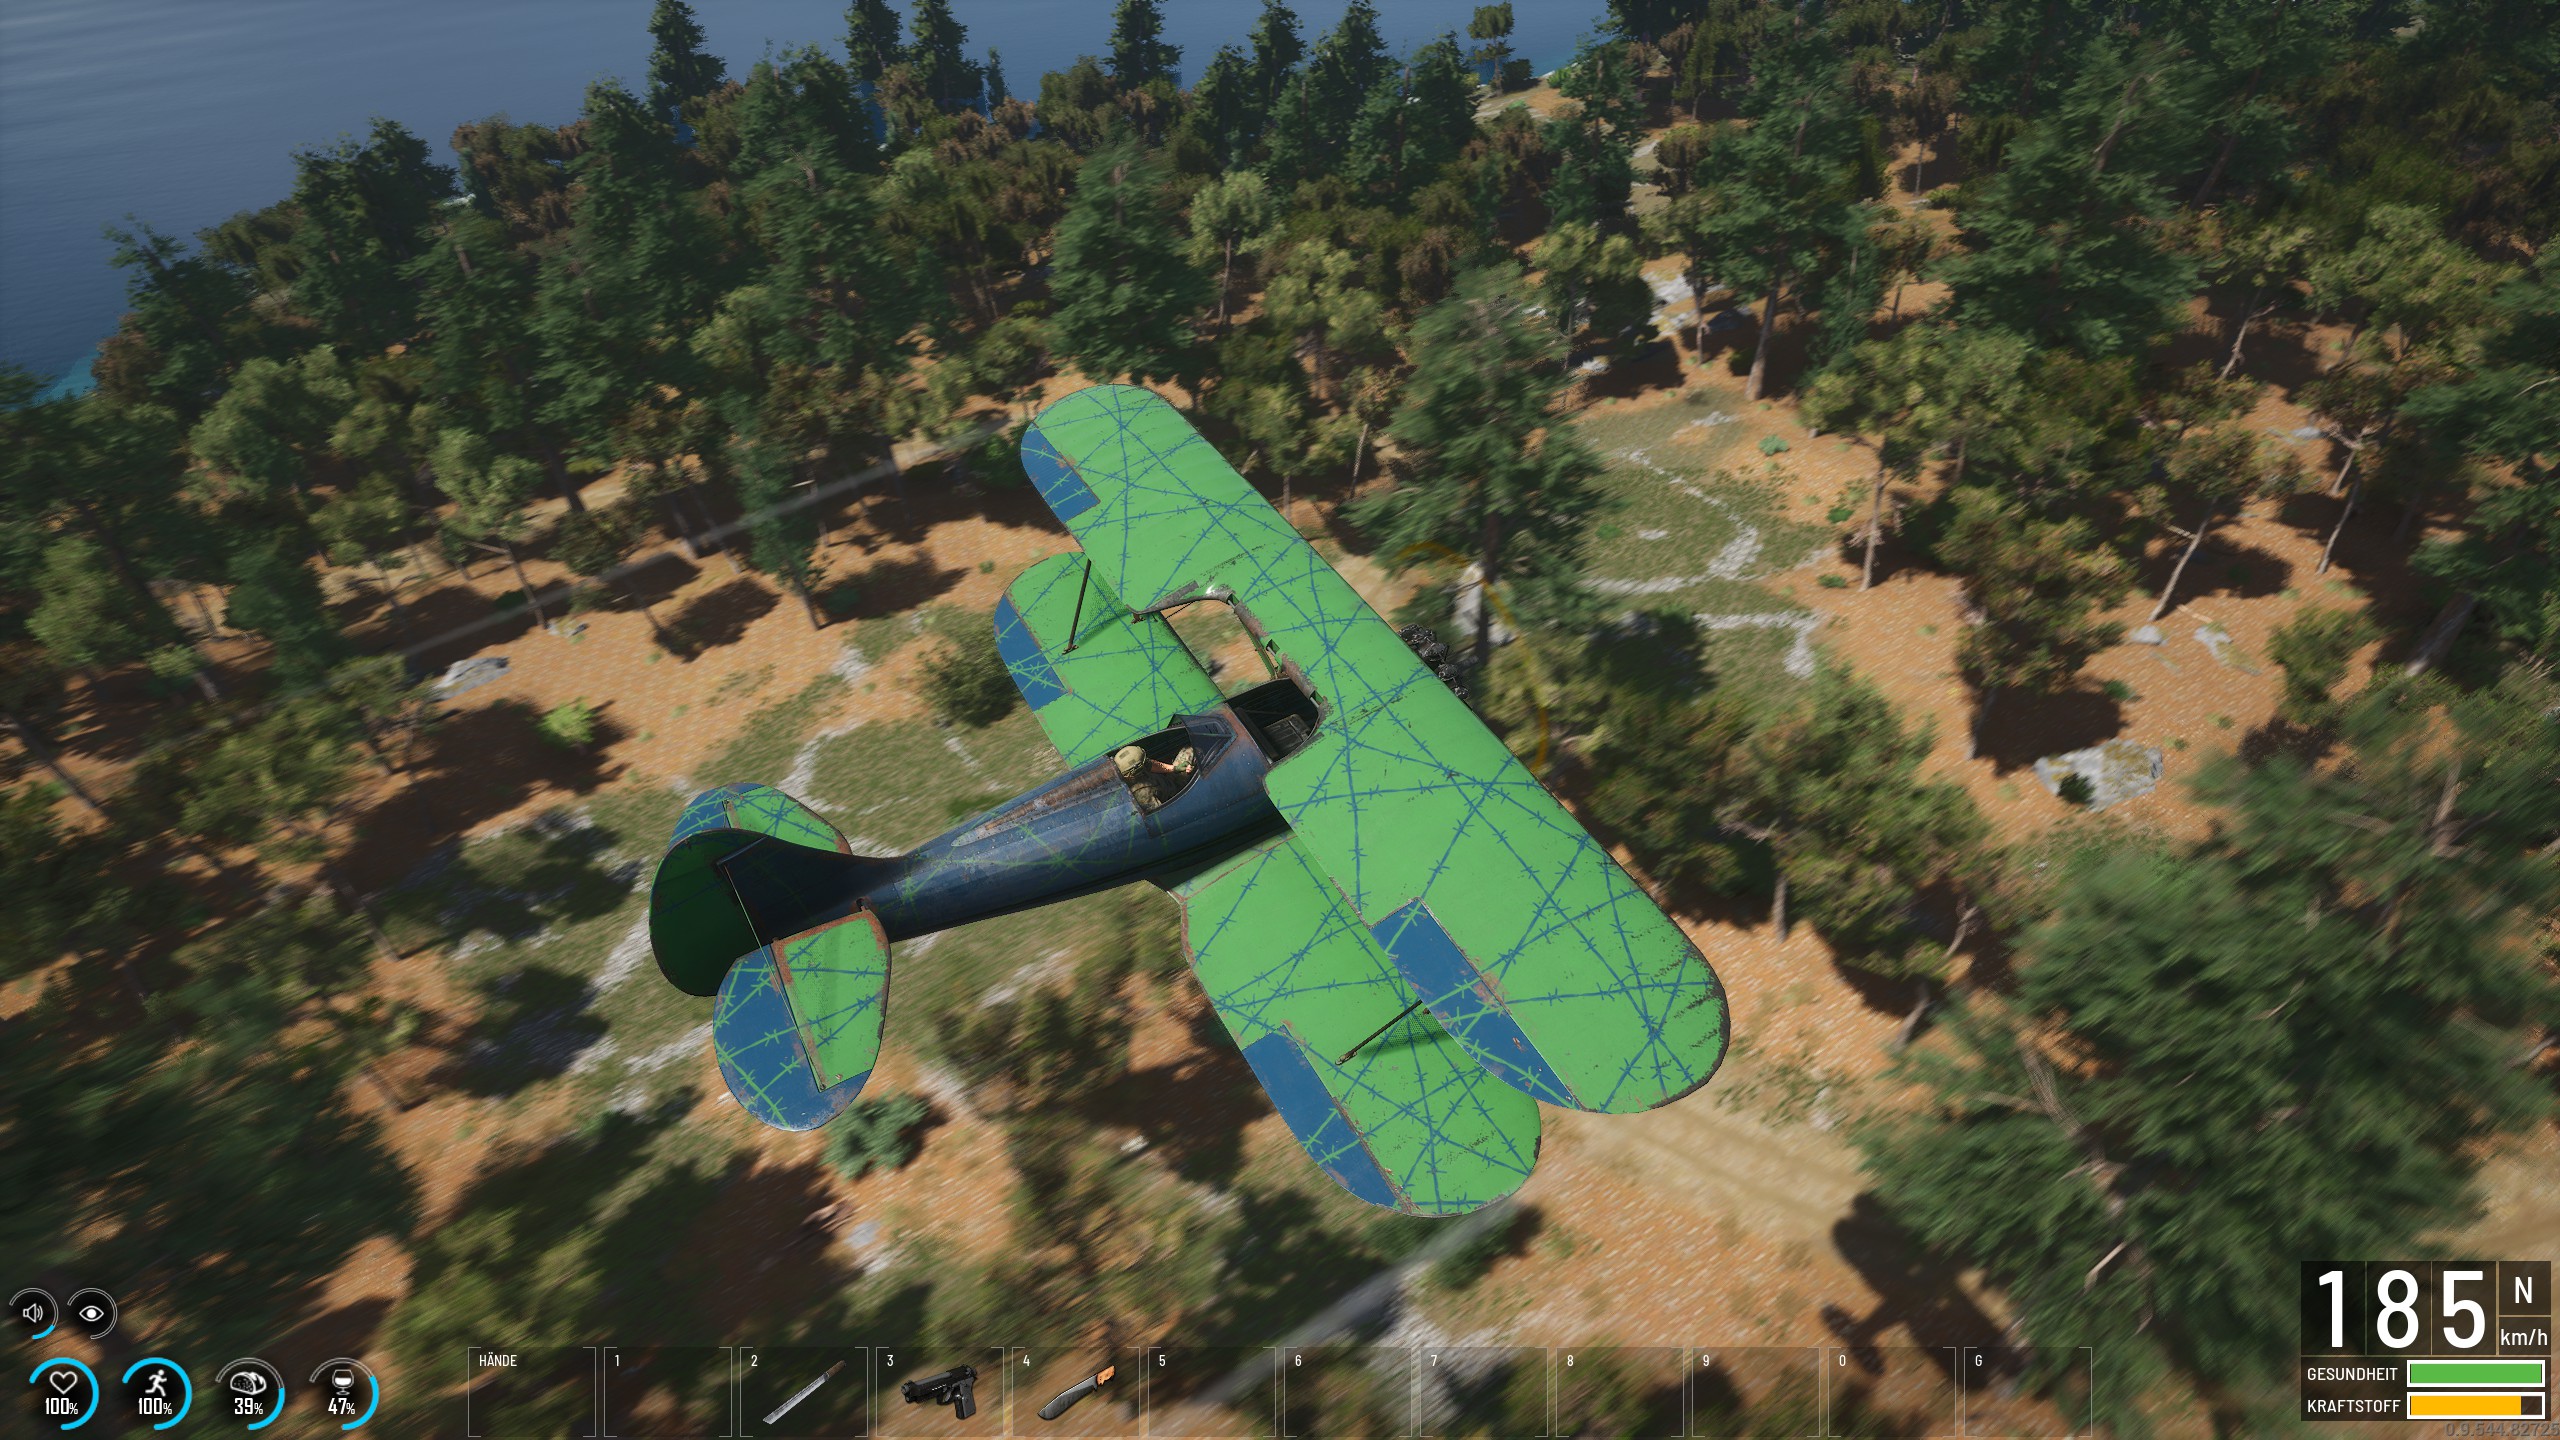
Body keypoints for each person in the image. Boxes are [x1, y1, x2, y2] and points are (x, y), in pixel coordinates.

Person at [1114, 743, 1196, 811]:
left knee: (1190, 749)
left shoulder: (1128, 768)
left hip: (1163, 781)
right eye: (1144, 762)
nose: (1146, 762)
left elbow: (1151, 764)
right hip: (1173, 793)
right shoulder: (1142, 794)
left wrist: (1174, 768)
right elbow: (1162, 813)